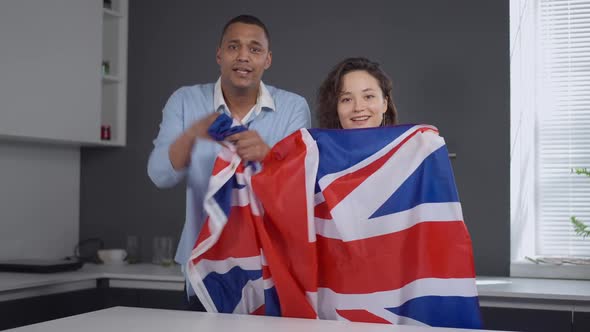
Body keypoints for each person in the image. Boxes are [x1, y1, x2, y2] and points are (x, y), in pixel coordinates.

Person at [147, 14, 311, 310]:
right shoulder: (185, 101)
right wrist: (193, 135)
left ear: (268, 59)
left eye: (255, 49)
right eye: (234, 47)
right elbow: (159, 174)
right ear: (219, 54)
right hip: (203, 265)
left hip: (269, 265)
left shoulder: (293, 107)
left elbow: (299, 187)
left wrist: (268, 156)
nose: (243, 56)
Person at [317, 57, 398, 129]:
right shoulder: (314, 145)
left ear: (384, 103)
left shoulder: (409, 145)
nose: (358, 108)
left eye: (368, 96)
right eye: (347, 99)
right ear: (335, 107)